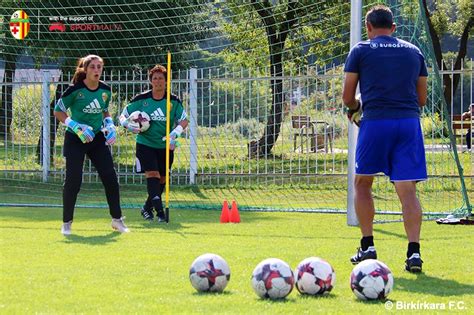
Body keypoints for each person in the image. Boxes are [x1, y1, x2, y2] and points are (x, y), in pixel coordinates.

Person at [342, 5, 428, 273]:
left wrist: (356, 108)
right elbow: (422, 99)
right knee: (407, 190)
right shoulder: (415, 52)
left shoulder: (361, 50)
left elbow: (347, 98)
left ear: (368, 28)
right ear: (393, 28)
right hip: (407, 123)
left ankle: (368, 246)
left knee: (363, 183)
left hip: (376, 123)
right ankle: (414, 252)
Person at [54, 54, 129, 235]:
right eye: (93, 67)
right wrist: (75, 125)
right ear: (85, 70)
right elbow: (58, 110)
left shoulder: (105, 90)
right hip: (76, 138)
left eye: (99, 67)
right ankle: (67, 223)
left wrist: (109, 124)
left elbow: (104, 110)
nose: (97, 70)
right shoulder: (75, 90)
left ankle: (117, 220)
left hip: (95, 138)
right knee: (73, 181)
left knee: (110, 178)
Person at [119, 65, 188, 222]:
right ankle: (160, 213)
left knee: (162, 179)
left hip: (165, 146)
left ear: (166, 81)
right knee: (153, 175)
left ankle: (146, 207)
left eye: (161, 78)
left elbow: (184, 120)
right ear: (151, 81)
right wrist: (128, 125)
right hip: (145, 144)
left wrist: (174, 133)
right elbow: (123, 115)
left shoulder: (173, 101)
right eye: (155, 78)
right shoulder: (141, 99)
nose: (158, 81)